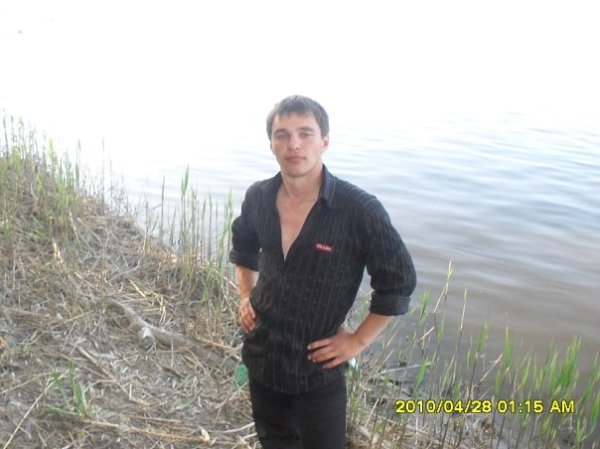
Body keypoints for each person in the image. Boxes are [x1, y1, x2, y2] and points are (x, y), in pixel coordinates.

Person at [229, 95, 416, 449]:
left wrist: (357, 341)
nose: (294, 144)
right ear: (271, 145)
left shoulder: (358, 210)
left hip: (317, 367)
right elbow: (243, 244)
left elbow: (398, 282)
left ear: (324, 141)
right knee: (275, 442)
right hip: (263, 353)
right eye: (282, 135)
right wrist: (245, 294)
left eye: (305, 133)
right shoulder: (259, 197)